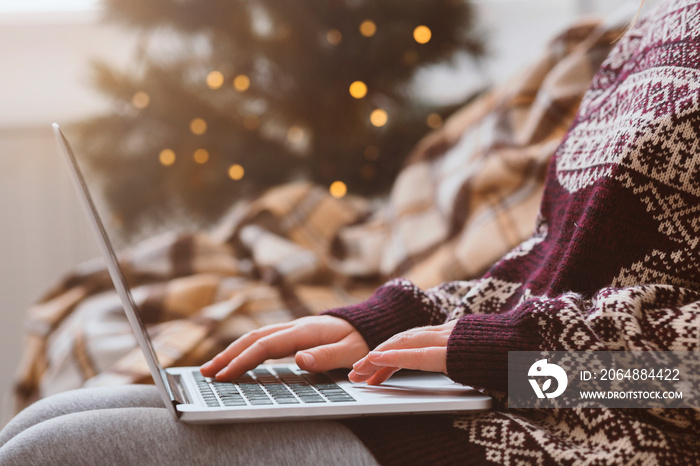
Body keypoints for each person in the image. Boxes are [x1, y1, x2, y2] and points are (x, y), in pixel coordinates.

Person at [1, 0, 698, 464]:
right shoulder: (657, 22)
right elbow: (557, 263)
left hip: (602, 419)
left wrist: (514, 357)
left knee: (55, 453)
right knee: (44, 426)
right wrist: (398, 319)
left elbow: (682, 379)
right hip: (527, 379)